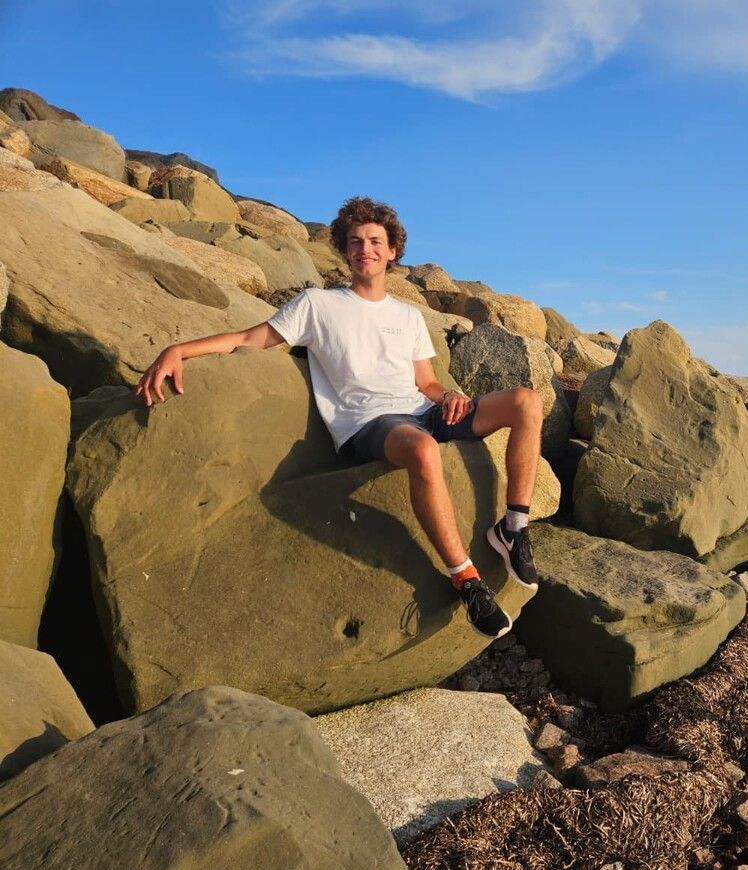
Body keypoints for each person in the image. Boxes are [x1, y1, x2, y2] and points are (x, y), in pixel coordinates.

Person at [135, 196, 542, 640]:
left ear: (392, 252)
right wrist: (179, 350)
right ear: (344, 251)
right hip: (370, 424)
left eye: (374, 241)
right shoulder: (317, 304)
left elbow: (425, 381)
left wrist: (450, 395)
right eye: (355, 241)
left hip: (424, 409)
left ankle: (512, 529)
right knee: (423, 452)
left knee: (526, 402)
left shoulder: (407, 316)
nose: (365, 249)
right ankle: (466, 581)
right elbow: (249, 338)